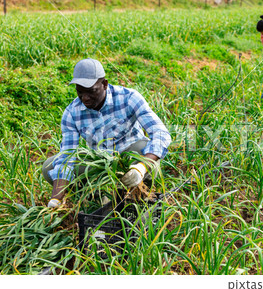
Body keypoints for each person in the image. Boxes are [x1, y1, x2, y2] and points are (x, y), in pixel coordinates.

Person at [42, 58, 171, 208]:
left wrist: (141, 167)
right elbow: (67, 155)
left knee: (144, 149)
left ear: (104, 84)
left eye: (90, 91)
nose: (85, 98)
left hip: (130, 157)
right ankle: (95, 198)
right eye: (80, 92)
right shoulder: (72, 113)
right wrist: (56, 199)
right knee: (49, 167)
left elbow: (160, 133)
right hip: (100, 163)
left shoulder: (128, 98)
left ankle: (141, 189)